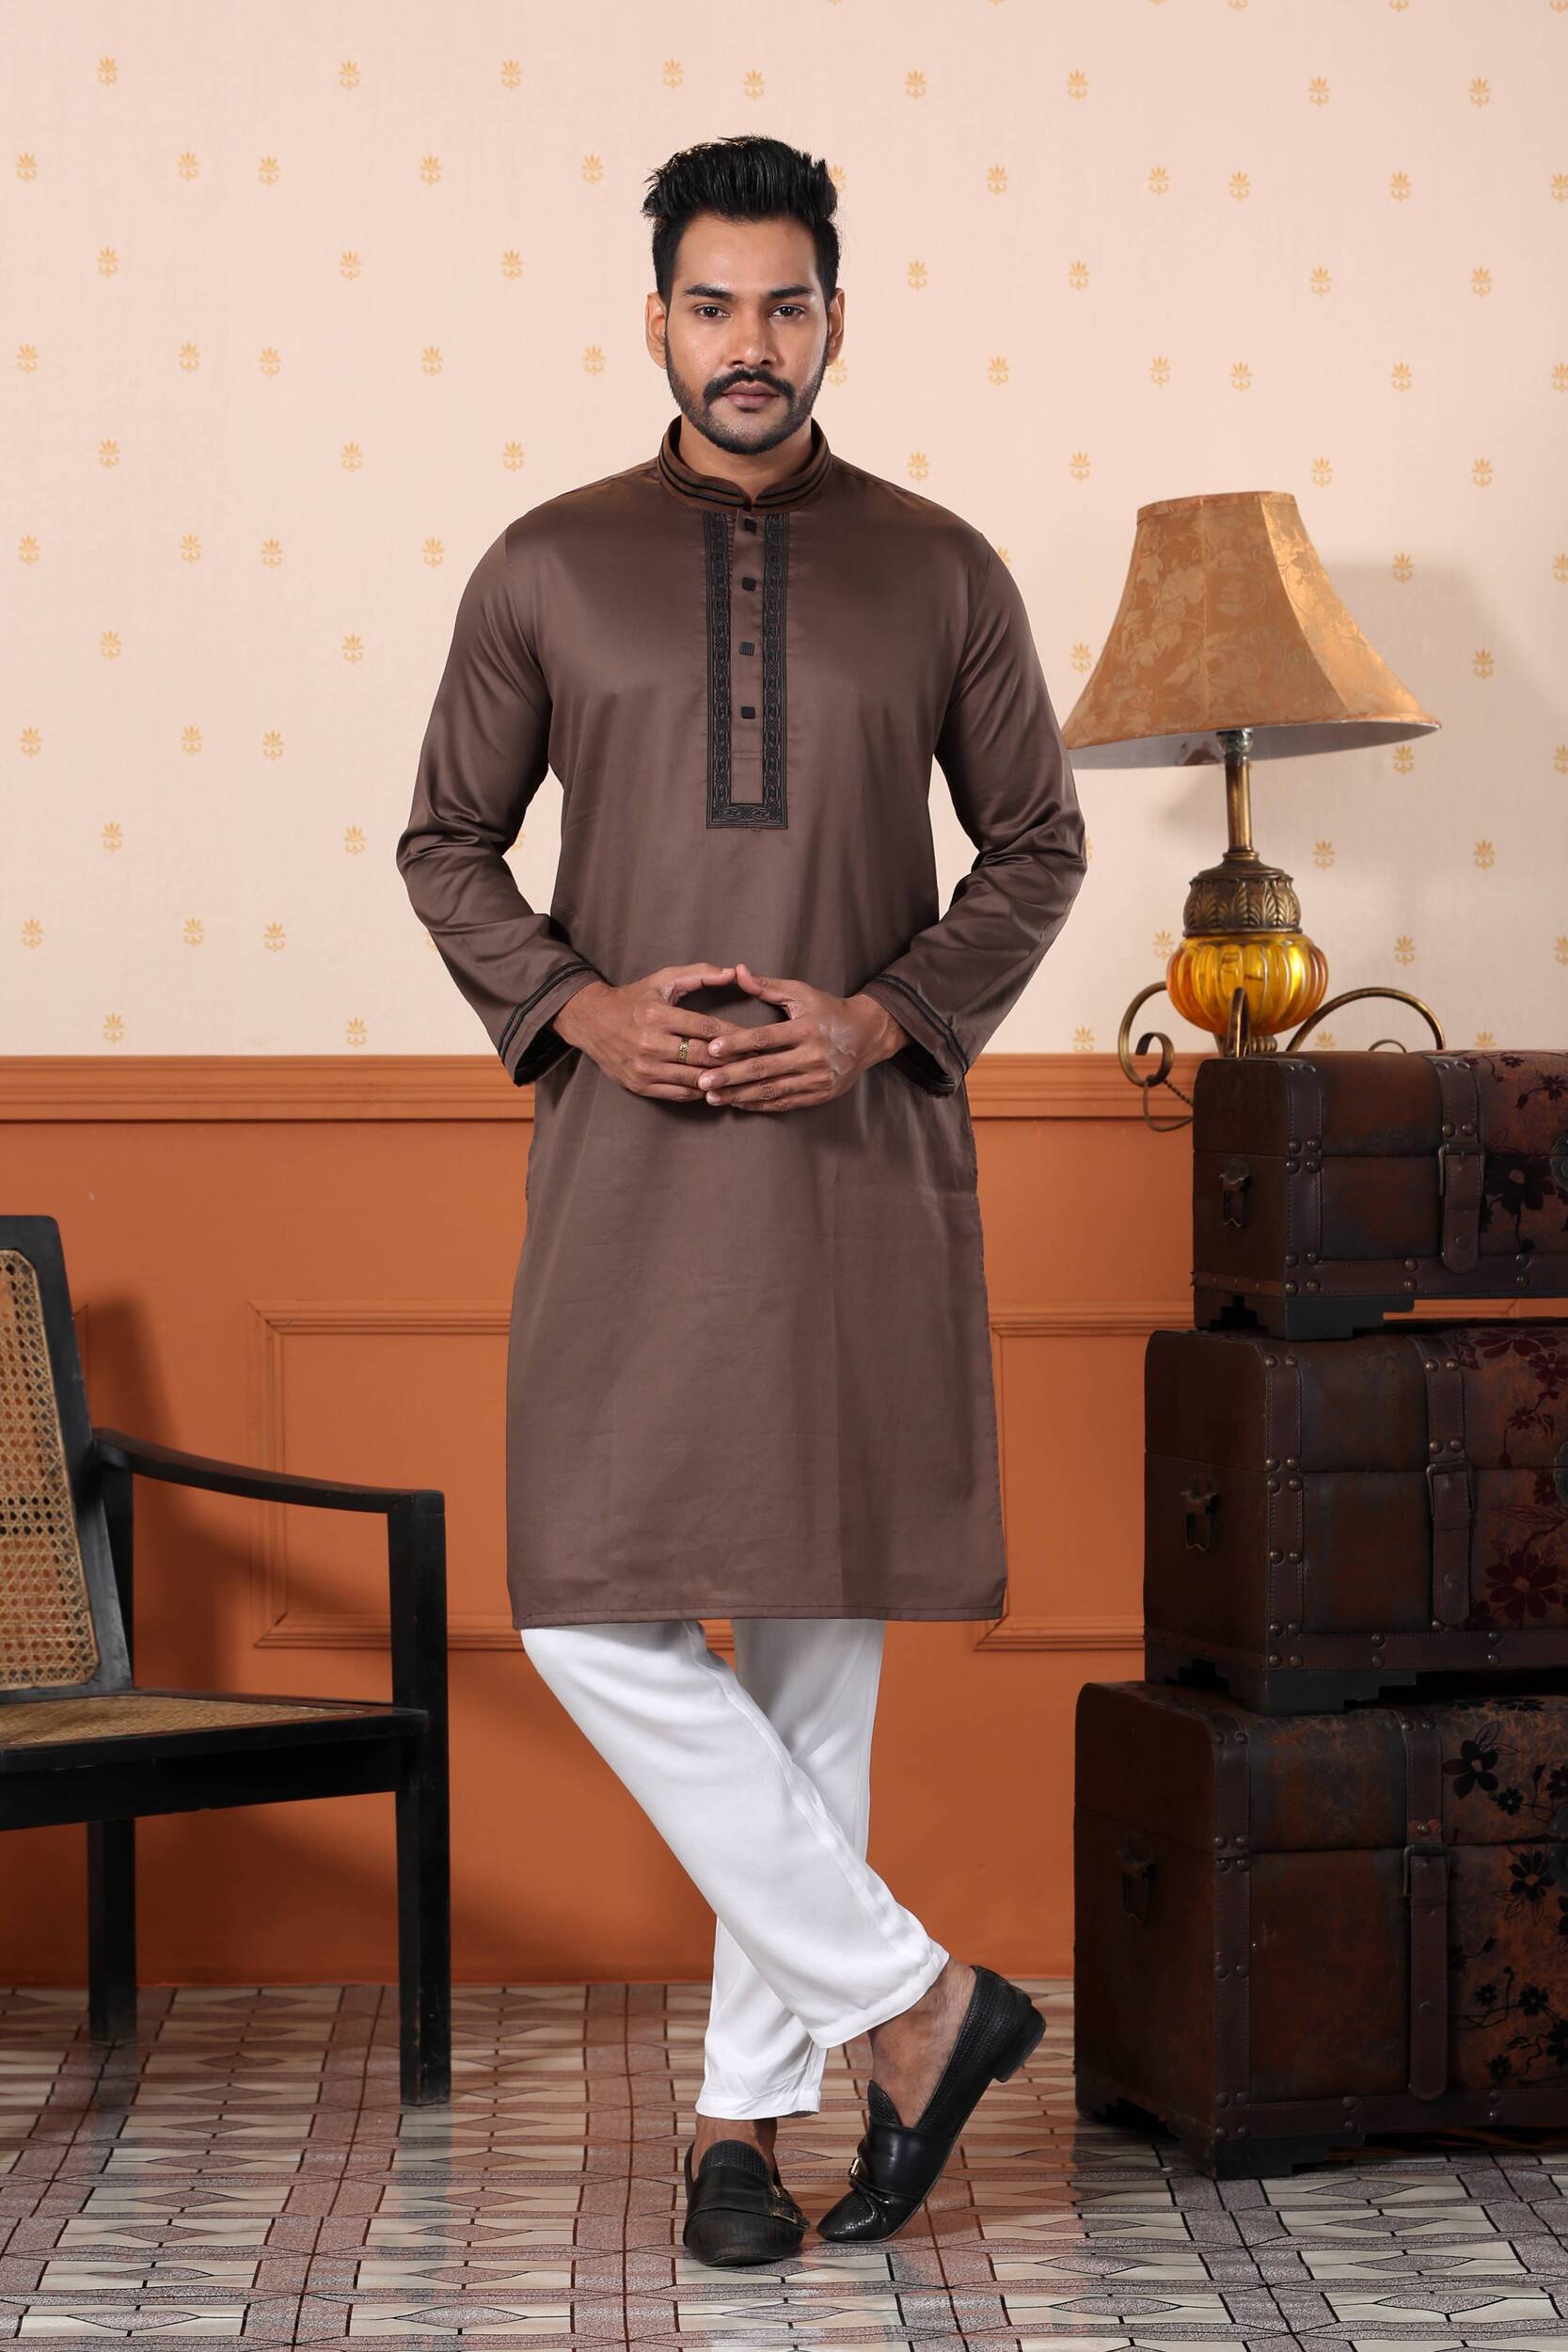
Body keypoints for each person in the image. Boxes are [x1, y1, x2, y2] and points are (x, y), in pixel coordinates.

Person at [395, 134, 1088, 2265]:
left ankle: (739, 2132)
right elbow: (444, 843)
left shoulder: (944, 570)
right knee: (584, 1602)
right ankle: (921, 2003)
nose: (751, 341)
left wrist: (880, 1022)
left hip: (858, 1162)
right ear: (656, 322)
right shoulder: (548, 566)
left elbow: (1038, 847)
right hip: (628, 1159)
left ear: (837, 318)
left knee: (813, 1653)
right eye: (714, 304)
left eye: (788, 303)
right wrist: (577, 1009)